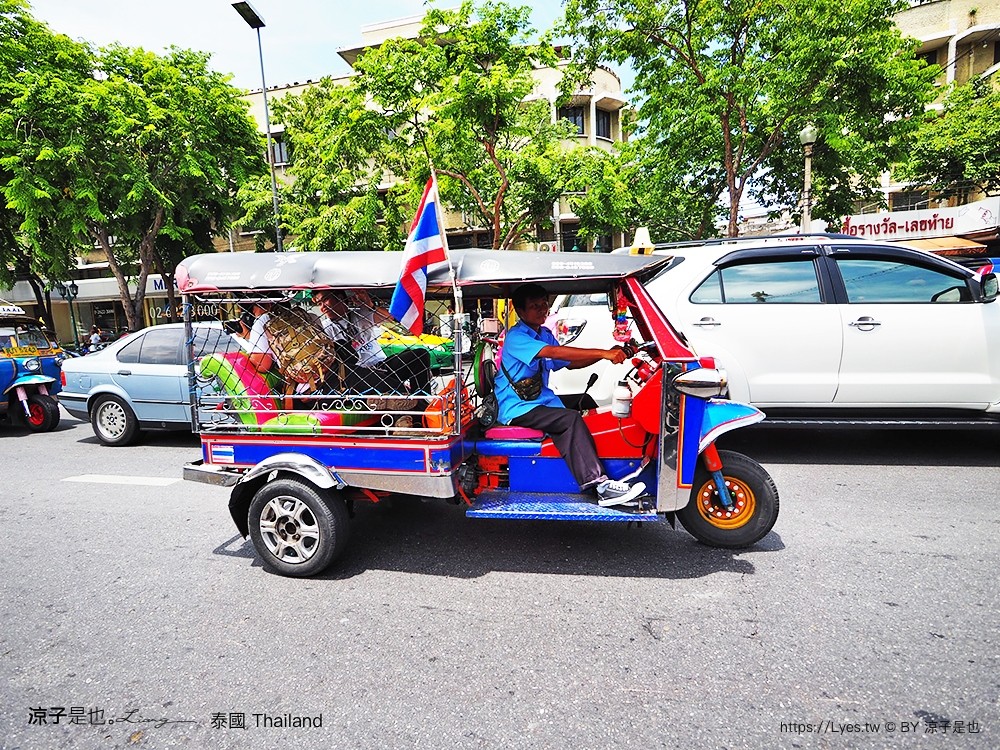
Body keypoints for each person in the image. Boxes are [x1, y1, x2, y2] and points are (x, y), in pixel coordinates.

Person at [496, 283, 645, 507]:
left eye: (544, 304)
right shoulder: (517, 337)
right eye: (534, 306)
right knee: (570, 419)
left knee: (587, 402)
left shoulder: (544, 333)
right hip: (518, 407)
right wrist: (604, 353)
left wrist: (607, 355)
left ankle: (615, 463)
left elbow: (569, 363)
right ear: (521, 311)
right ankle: (600, 485)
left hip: (540, 400)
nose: (542, 309)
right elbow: (553, 352)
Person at [311, 289, 431, 395]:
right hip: (359, 375)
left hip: (381, 365)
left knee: (420, 355)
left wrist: (370, 305)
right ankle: (401, 395)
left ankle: (423, 400)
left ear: (340, 296)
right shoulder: (325, 328)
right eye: (319, 304)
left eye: (325, 300)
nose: (322, 307)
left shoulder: (360, 313)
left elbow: (389, 318)